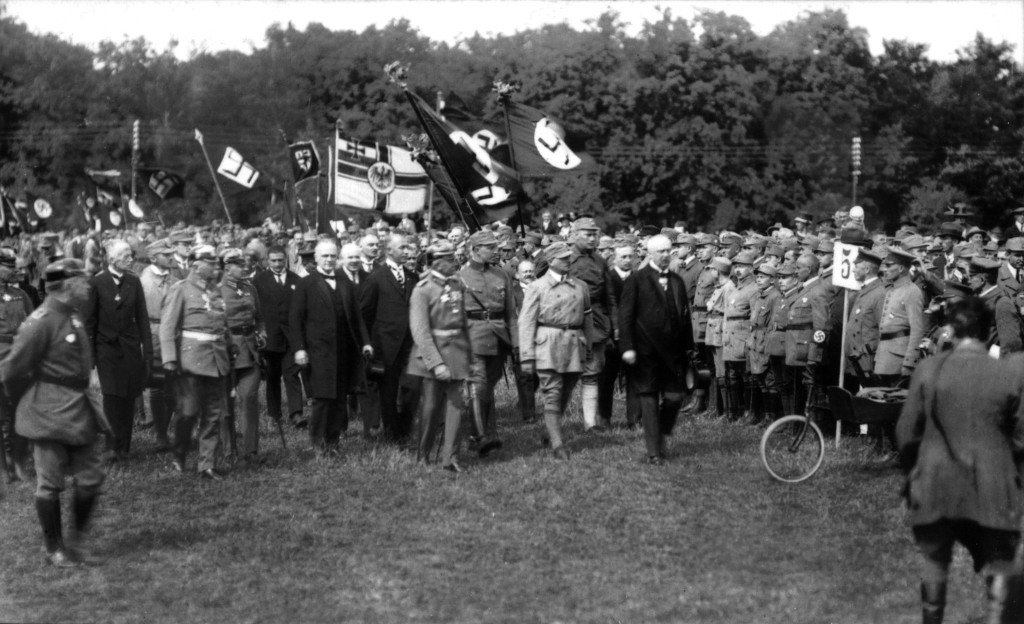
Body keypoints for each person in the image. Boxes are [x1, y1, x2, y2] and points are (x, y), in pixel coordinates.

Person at [896, 297, 1024, 624]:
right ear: (990, 331)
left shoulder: (929, 368)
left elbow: (907, 432)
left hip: (936, 481)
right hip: (993, 484)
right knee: (999, 560)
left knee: (935, 560)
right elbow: (1021, 437)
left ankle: (932, 618)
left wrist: (914, 472)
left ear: (951, 330)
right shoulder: (1009, 372)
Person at [0, 259, 107, 567]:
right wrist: (32, 401)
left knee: (90, 477)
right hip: (48, 412)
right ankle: (54, 548)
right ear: (69, 284)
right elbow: (11, 371)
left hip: (78, 406)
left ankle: (78, 542)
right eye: (83, 280)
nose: (87, 286)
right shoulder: (40, 321)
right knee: (50, 482)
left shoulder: (72, 315)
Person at [291, 241, 372, 456]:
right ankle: (318, 443)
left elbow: (357, 316)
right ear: (316, 258)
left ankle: (333, 443)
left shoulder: (345, 282)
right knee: (322, 398)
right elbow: (295, 319)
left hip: (344, 350)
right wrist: (299, 348)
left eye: (332, 256)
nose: (329, 260)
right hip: (318, 350)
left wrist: (365, 341)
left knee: (339, 398)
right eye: (325, 256)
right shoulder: (306, 284)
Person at [619, 235, 695, 464]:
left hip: (672, 352)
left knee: (675, 397)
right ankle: (654, 452)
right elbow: (625, 315)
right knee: (649, 399)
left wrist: (689, 346)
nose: (665, 255)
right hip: (645, 352)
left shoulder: (677, 281)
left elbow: (684, 316)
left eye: (668, 251)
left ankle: (660, 432)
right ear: (650, 253)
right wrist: (628, 347)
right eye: (660, 251)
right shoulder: (637, 279)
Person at [159, 245, 232, 480]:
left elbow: (222, 324)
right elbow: (168, 326)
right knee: (188, 411)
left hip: (216, 358)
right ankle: (178, 452)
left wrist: (230, 348)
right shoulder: (180, 289)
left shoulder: (216, 291)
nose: (215, 267)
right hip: (190, 360)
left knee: (213, 414)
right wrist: (169, 359)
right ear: (196, 265)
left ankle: (206, 464)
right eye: (210, 263)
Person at [519, 242, 595, 460]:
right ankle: (557, 443)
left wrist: (588, 346)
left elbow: (587, 318)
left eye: (568, 257)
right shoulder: (537, 287)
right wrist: (526, 355)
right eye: (562, 258)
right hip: (548, 344)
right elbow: (526, 322)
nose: (567, 261)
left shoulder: (580, 286)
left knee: (566, 389)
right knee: (552, 392)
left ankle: (549, 430)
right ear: (551, 260)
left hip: (574, 343)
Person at [84, 239, 152, 464]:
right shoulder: (97, 283)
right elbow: (89, 322)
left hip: (130, 348)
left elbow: (142, 319)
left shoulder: (134, 282)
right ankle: (112, 447)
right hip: (107, 350)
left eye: (130, 255)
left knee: (129, 396)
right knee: (112, 397)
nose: (130, 259)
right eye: (125, 256)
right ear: (111, 259)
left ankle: (125, 447)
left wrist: (148, 352)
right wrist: (91, 358)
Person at [406, 242, 470, 472]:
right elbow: (420, 332)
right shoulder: (422, 289)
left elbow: (463, 322)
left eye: (453, 256)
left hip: (457, 353)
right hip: (431, 357)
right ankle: (422, 454)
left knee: (456, 406)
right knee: (431, 408)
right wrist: (437, 363)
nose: (454, 261)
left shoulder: (456, 284)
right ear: (434, 261)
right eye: (447, 257)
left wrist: (468, 357)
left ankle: (449, 458)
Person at [459, 229, 517, 454]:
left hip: (499, 337)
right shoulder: (461, 276)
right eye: (490, 248)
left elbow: (511, 312)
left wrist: (517, 344)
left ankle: (485, 433)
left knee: (488, 386)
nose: (496, 251)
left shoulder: (502, 274)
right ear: (475, 250)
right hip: (472, 336)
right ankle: (479, 435)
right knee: (478, 383)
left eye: (497, 247)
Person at [360, 233, 417, 443]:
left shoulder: (413, 277)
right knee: (389, 392)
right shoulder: (375, 279)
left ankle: (404, 427)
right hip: (386, 346)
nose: (406, 251)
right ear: (389, 251)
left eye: (407, 248)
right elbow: (365, 313)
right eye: (402, 247)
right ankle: (393, 434)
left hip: (410, 345)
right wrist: (368, 344)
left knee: (412, 387)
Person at [566, 217, 617, 433]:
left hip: (595, 324)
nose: (592, 238)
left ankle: (590, 423)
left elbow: (610, 297)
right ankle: (554, 424)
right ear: (575, 235)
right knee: (562, 375)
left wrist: (615, 327)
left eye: (594, 234)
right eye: (587, 234)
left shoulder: (600, 261)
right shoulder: (563, 259)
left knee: (592, 373)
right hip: (567, 323)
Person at [219, 248, 266, 461]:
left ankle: (251, 450)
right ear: (227, 267)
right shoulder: (216, 290)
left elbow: (259, 317)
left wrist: (262, 333)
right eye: (239, 264)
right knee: (225, 404)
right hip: (227, 350)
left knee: (249, 398)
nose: (244, 267)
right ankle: (229, 450)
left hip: (251, 350)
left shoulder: (250, 288)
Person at [252, 246, 304, 429]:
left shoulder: (296, 280)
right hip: (270, 337)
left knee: (292, 373)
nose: (277, 263)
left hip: (291, 336)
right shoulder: (258, 281)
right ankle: (275, 415)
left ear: (286, 260)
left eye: (281, 260)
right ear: (267, 260)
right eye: (273, 260)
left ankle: (296, 414)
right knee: (273, 376)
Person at [138, 239, 178, 450]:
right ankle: (160, 435)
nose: (171, 256)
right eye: (166, 254)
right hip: (155, 336)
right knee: (158, 387)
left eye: (172, 253)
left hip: (174, 336)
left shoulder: (174, 279)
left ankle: (166, 430)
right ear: (153, 258)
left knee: (172, 387)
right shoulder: (144, 281)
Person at [0, 247, 34, 482]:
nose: (13, 271)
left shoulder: (21, 295)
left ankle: (19, 461)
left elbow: (34, 325)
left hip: (20, 359)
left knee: (21, 411)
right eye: (8, 267)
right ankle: (3, 468)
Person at [601, 239, 640, 429]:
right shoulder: (607, 279)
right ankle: (605, 418)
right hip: (612, 338)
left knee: (634, 378)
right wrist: (608, 334)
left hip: (633, 337)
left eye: (630, 256)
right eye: (623, 257)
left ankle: (634, 419)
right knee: (607, 378)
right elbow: (604, 308)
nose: (627, 260)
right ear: (614, 259)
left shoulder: (639, 279)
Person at [875, 248, 925, 386]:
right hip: (886, 355)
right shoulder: (893, 290)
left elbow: (917, 329)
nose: (885, 269)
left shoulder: (911, 291)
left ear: (902, 268)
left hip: (899, 357)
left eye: (889, 265)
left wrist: (910, 361)